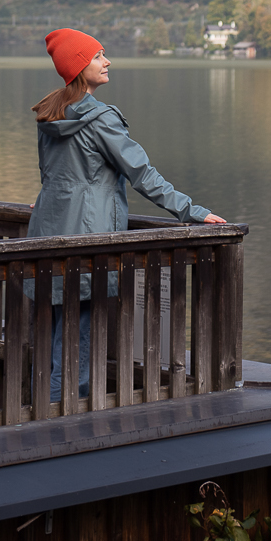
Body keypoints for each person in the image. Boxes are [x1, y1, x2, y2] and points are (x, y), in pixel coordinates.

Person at [30, 27, 228, 402]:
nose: (107, 62)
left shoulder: (50, 113)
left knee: (58, 333)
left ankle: (48, 408)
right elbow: (143, 175)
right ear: (78, 66)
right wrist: (193, 212)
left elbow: (51, 177)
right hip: (88, 239)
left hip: (48, 231)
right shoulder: (100, 119)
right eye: (98, 56)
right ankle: (61, 422)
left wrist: (44, 205)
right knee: (79, 341)